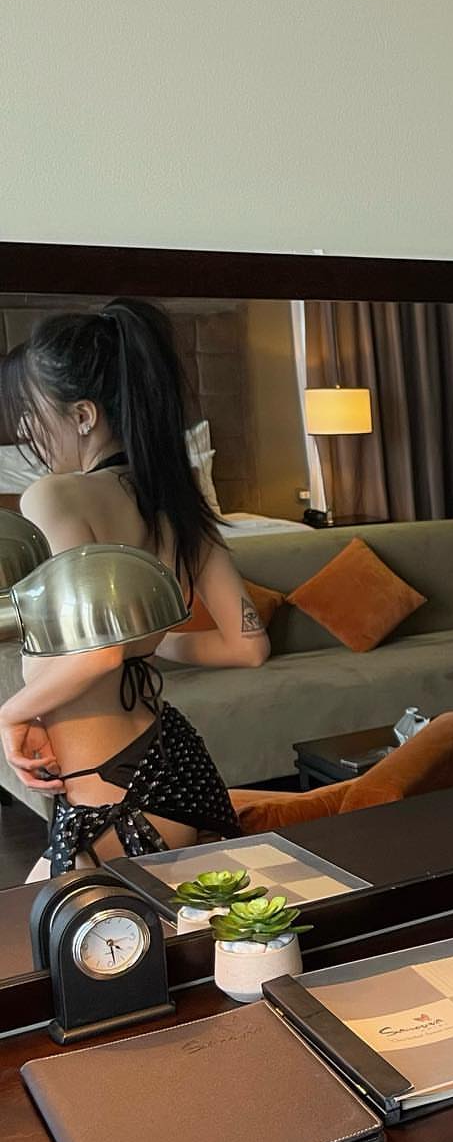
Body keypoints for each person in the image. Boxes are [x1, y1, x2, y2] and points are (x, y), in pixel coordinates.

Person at [0, 298, 270, 878]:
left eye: (32, 412)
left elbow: (95, 652)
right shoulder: (176, 502)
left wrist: (10, 713)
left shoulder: (53, 496)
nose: (25, 430)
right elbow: (249, 644)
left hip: (110, 791)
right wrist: (153, 638)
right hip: (168, 761)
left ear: (83, 415)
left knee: (50, 930)